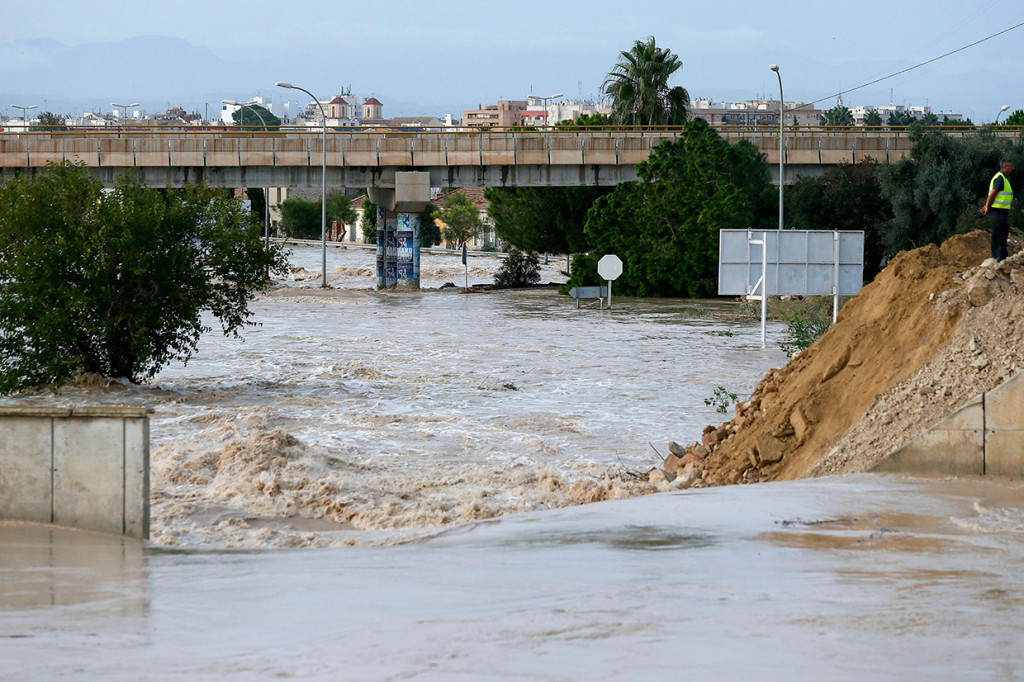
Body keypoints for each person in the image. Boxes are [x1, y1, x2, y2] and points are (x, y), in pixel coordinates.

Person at [981, 159, 1014, 261]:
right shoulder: (1000, 178)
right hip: (998, 211)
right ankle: (998, 258)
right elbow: (993, 194)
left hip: (1001, 211)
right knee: (999, 233)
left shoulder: (1003, 178)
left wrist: (987, 205)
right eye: (1011, 166)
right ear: (1005, 167)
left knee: (1001, 233)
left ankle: (1000, 257)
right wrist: (987, 206)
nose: (1013, 168)